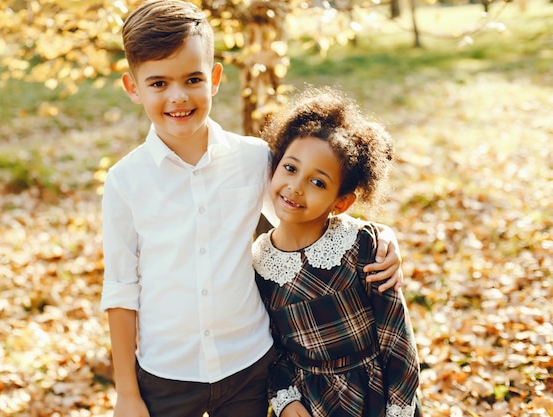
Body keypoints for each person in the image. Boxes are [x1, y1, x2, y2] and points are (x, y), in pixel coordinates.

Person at [100, 2, 404, 417]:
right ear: (133, 87)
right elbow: (120, 288)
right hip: (166, 373)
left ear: (216, 79)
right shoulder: (125, 181)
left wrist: (381, 237)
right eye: (158, 83)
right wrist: (127, 393)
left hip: (249, 363)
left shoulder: (253, 158)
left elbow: (309, 210)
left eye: (193, 79)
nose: (178, 96)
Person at [253, 86, 422, 417]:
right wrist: (285, 399)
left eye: (318, 183)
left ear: (341, 202)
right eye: (290, 168)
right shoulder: (260, 263)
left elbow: (397, 338)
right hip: (310, 402)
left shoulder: (360, 248)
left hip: (374, 396)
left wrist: (399, 408)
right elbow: (272, 348)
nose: (296, 187)